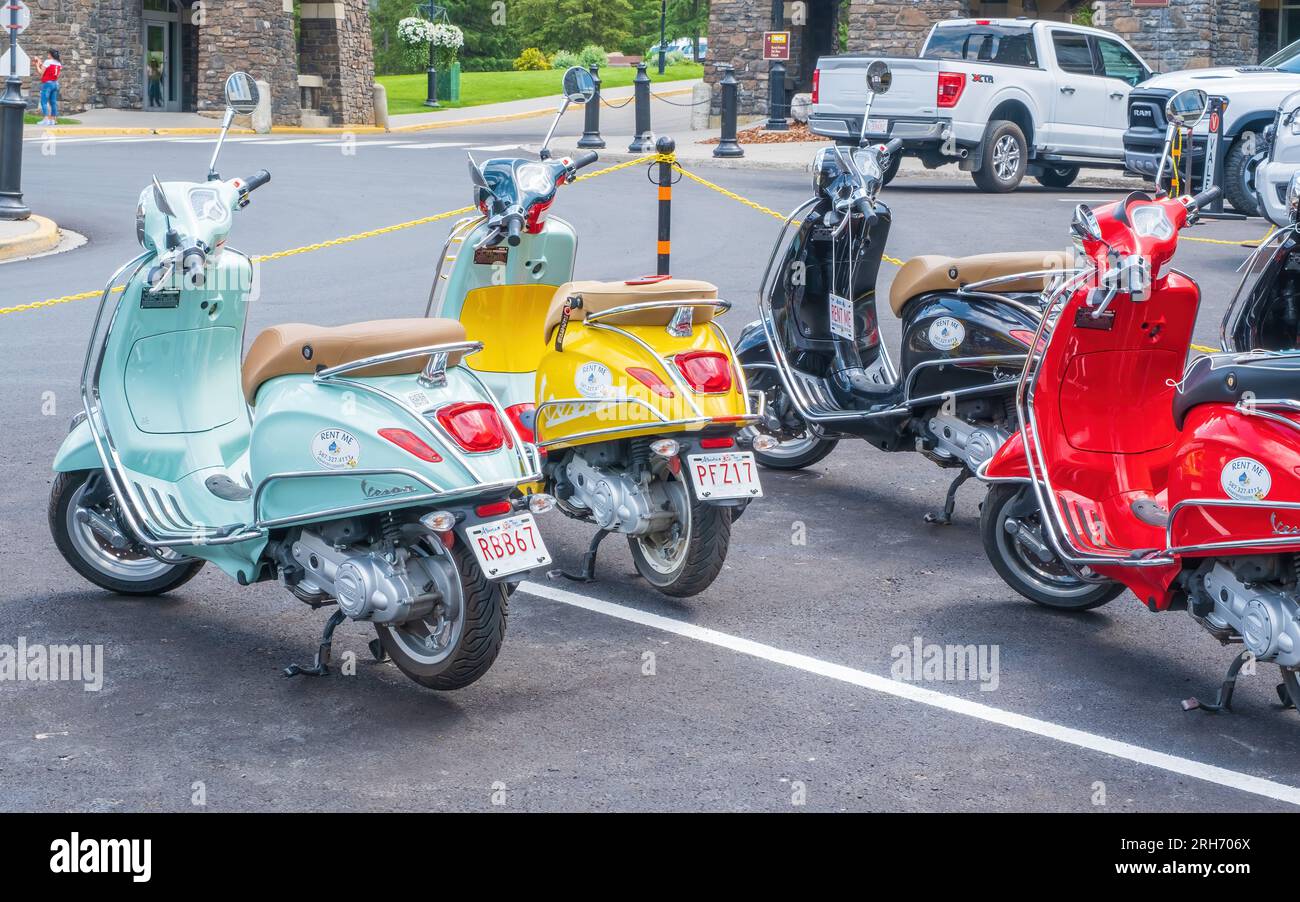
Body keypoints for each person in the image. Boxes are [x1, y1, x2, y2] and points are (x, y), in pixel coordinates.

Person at [39, 49, 61, 126]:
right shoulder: (58, 63)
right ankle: (53, 120)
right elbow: (57, 75)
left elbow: (41, 73)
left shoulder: (47, 61)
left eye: (48, 53)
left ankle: (46, 119)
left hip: (47, 83)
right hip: (55, 83)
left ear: (50, 54)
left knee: (43, 101)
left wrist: (37, 65)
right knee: (53, 102)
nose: (47, 55)